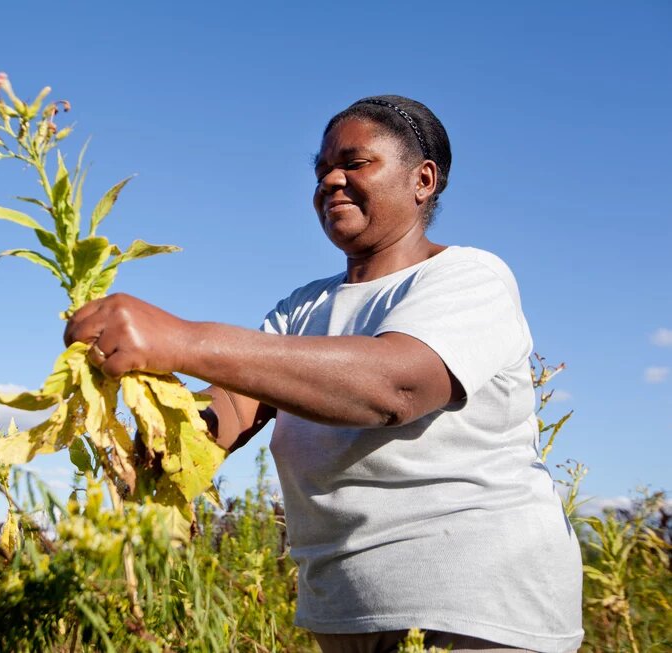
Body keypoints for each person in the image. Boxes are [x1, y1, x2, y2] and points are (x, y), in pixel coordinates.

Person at [64, 95, 584, 653]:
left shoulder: (468, 277)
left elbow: (394, 387)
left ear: (423, 179)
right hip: (345, 610)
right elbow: (237, 405)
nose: (330, 180)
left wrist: (182, 340)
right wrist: (161, 431)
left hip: (478, 608)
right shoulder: (301, 309)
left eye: (354, 163)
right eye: (321, 170)